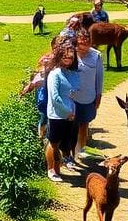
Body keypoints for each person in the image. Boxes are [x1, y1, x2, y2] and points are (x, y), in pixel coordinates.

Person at [44, 42, 80, 182]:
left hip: (70, 114)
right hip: (57, 115)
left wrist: (72, 111)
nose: (68, 59)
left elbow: (75, 89)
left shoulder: (71, 73)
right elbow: (55, 97)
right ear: (59, 56)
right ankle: (52, 170)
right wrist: (67, 112)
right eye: (64, 57)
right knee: (54, 143)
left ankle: (62, 166)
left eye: (70, 57)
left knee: (66, 143)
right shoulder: (54, 74)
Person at [74, 30, 104, 158]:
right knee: (71, 126)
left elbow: (99, 77)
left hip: (88, 97)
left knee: (84, 124)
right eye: (81, 42)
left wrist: (99, 95)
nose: (84, 46)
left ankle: (81, 150)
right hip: (72, 98)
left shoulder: (96, 56)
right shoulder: (71, 54)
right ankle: (70, 152)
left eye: (87, 42)